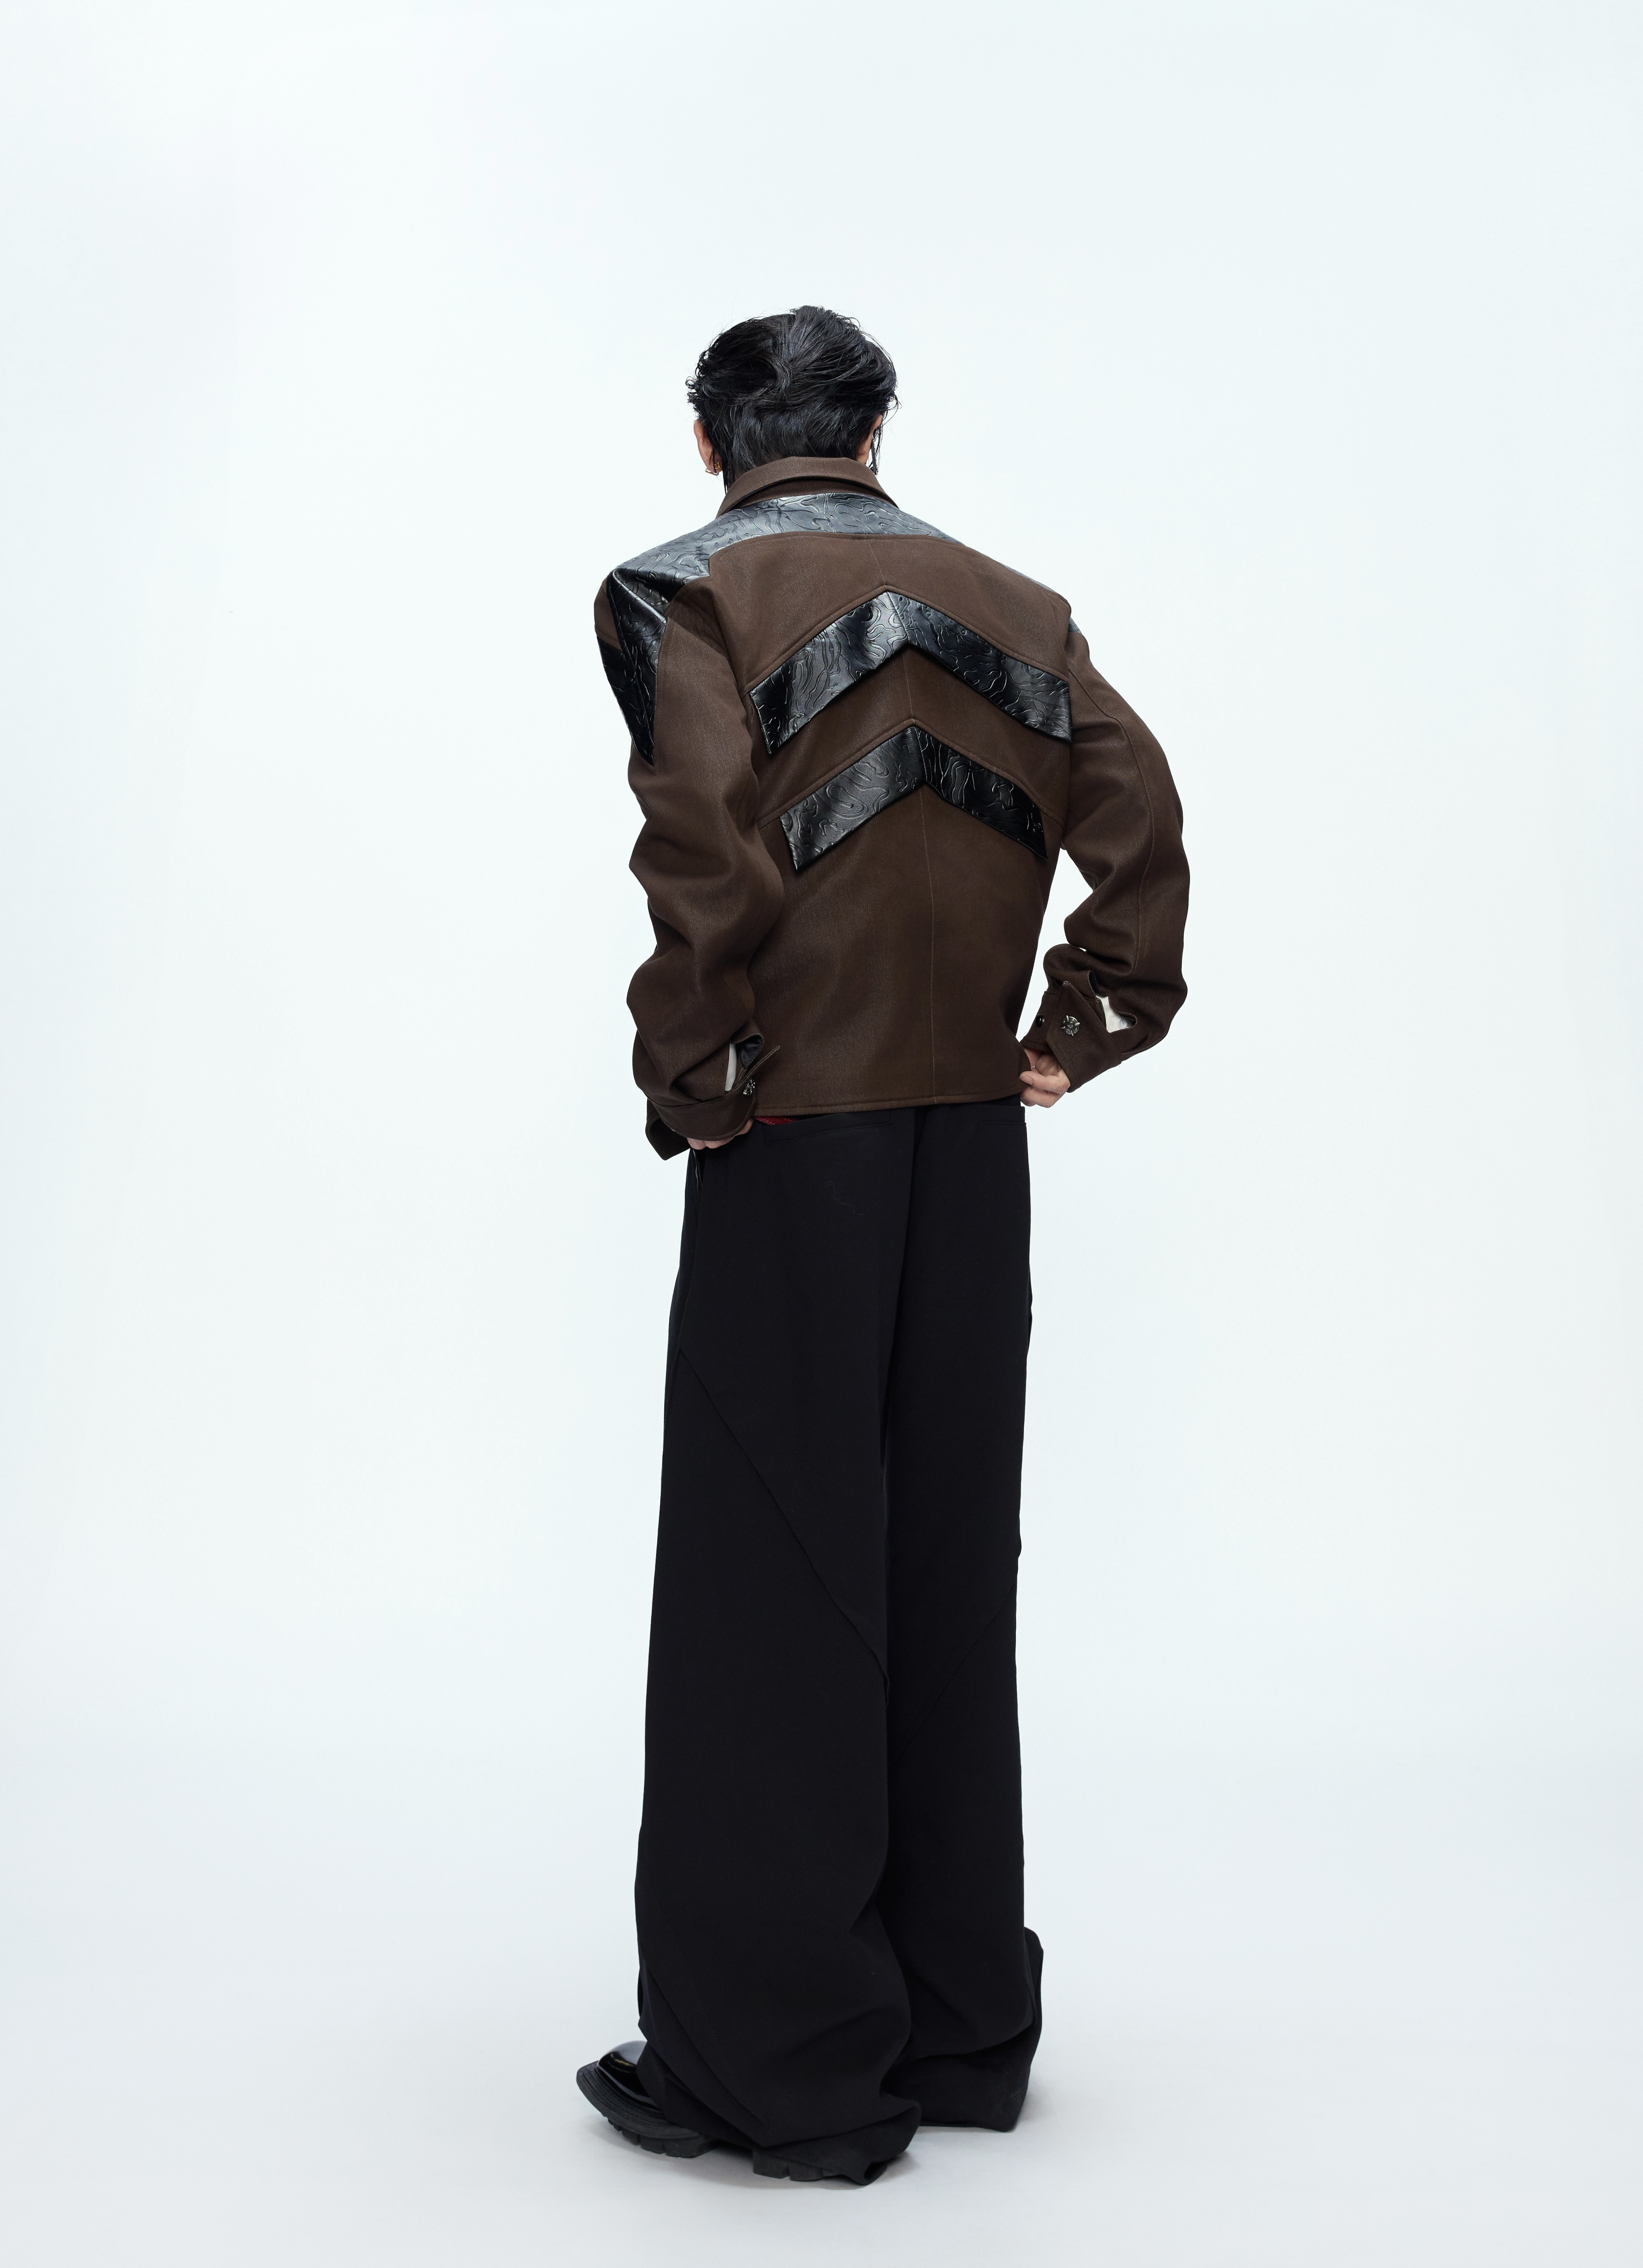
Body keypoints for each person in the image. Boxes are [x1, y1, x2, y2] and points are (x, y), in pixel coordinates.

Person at [577, 306, 1189, 2185]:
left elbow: (706, 855)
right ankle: (951, 2020)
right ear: (872, 433)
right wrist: (1082, 1021)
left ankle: (780, 2061)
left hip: (793, 1135)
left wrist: (692, 1076)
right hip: (964, 1144)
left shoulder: (683, 592)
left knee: (772, 1579)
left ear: (709, 441)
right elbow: (1140, 822)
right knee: (938, 1558)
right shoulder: (1018, 601)